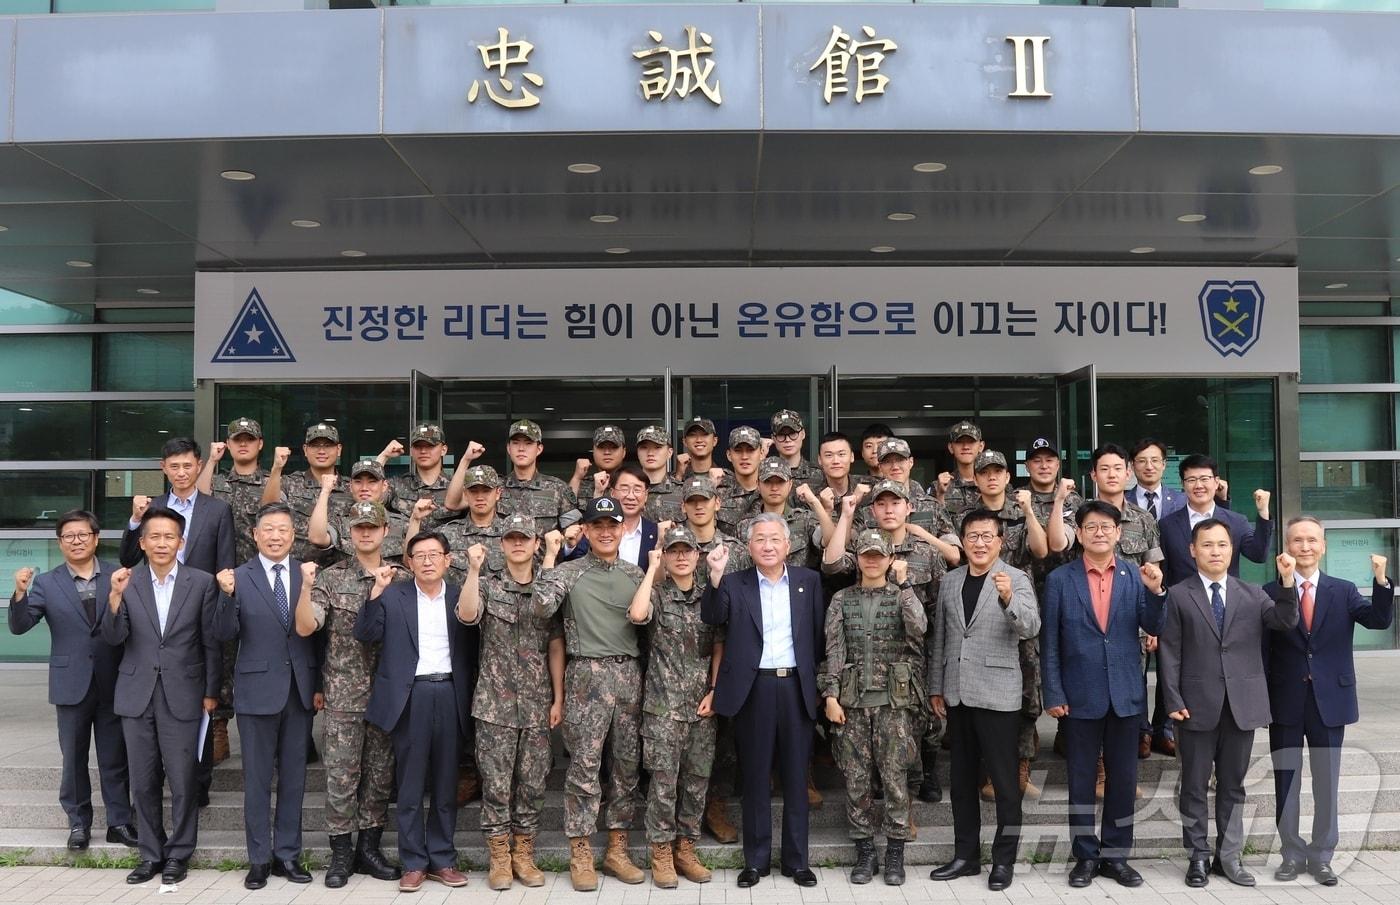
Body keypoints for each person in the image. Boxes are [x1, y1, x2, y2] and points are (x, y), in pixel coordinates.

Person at [1158, 519, 1299, 888]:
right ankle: (1198, 857)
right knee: (1193, 785)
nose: (1215, 551)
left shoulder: (1252, 593)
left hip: (1242, 705)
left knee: (1233, 785)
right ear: (1193, 550)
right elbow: (1170, 651)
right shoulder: (1178, 594)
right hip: (1194, 705)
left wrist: (1287, 581)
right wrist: (1171, 698)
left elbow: (1285, 620)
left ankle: (1230, 857)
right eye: (1207, 545)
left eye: (1222, 544)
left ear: (1232, 549)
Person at [1041, 501, 1166, 889]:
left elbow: (1154, 625)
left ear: (1118, 533)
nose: (1099, 532)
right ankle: (1085, 856)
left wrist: (1157, 589)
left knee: (1123, 780)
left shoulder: (1135, 575)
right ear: (1078, 534)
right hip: (1079, 696)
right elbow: (1050, 644)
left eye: (1106, 526)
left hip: (1125, 694)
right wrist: (1054, 691)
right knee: (1080, 780)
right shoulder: (1060, 579)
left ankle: (1116, 856)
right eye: (1091, 526)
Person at [1265, 517, 1394, 886]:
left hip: (1329, 701)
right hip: (1285, 700)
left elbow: (1379, 621)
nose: (1304, 547)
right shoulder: (1271, 591)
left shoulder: (1343, 590)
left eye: (1311, 540)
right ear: (1286, 547)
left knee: (1327, 782)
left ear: (1323, 546)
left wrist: (1381, 581)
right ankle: (1290, 853)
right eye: (1296, 540)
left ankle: (1322, 856)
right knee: (1285, 780)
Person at [701, 513, 825, 889]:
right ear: (749, 546)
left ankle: (797, 861)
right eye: (760, 540)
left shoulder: (809, 580)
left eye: (775, 540)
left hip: (795, 685)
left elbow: (817, 638)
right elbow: (712, 616)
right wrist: (716, 575)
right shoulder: (735, 582)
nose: (768, 546)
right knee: (755, 777)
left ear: (788, 545)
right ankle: (755, 862)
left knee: (795, 776)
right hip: (753, 687)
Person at [533, 497, 650, 891]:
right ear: (585, 530)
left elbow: (648, 623)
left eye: (611, 525)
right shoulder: (570, 572)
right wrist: (550, 556)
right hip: (586, 673)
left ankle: (617, 848)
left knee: (626, 766)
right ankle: (580, 851)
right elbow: (542, 607)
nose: (604, 532)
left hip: (628, 675)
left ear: (621, 529)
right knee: (584, 768)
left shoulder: (636, 573)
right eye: (596, 525)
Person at [99, 507, 220, 886]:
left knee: (184, 780)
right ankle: (150, 854)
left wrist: (212, 692)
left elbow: (211, 642)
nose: (162, 543)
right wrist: (115, 599)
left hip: (185, 692)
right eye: (155, 536)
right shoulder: (125, 581)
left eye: (170, 536)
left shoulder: (200, 582)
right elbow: (112, 638)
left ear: (181, 542)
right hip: (137, 694)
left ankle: (179, 854)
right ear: (142, 542)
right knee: (144, 780)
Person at [118, 437, 235, 810]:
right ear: (163, 467)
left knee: (197, 709)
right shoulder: (151, 508)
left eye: (188, 465)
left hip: (198, 615)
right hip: (153, 617)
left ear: (199, 465)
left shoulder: (217, 510)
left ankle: (198, 785)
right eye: (175, 466)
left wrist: (217, 617)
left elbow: (224, 565)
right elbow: (127, 557)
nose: (182, 473)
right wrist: (136, 520)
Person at [927, 508, 1040, 892]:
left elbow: (1030, 626)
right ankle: (966, 856)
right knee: (961, 781)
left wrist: (1008, 597)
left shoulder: (1017, 578)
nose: (979, 542)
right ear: (963, 540)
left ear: (1000, 541)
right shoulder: (951, 580)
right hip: (958, 693)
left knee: (1005, 784)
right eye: (972, 536)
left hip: (998, 695)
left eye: (986, 536)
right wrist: (935, 686)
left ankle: (1004, 860)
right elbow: (940, 637)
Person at [9, 511, 136, 852]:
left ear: (96, 538)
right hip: (71, 683)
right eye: (69, 536)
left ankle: (119, 822)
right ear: (60, 543)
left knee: (115, 756)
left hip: (112, 680)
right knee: (74, 758)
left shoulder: (118, 575)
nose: (76, 541)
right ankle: (78, 824)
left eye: (83, 535)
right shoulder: (47, 583)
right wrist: (19, 593)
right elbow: (20, 626)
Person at [355, 531, 473, 892]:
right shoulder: (394, 596)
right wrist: (375, 592)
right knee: (408, 784)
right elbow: (365, 633)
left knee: (444, 782)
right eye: (418, 555)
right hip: (411, 696)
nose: (426, 561)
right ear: (408, 562)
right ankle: (413, 862)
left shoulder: (460, 596)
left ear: (447, 560)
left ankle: (442, 859)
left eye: (434, 554)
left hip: (450, 692)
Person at [824, 479, 951, 804]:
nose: (888, 509)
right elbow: (834, 563)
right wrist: (847, 514)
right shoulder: (864, 547)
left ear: (909, 507)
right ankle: (888, 787)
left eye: (895, 503)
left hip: (919, 650)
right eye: (881, 504)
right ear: (874, 510)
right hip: (878, 657)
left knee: (925, 726)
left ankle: (924, 777)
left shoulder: (926, 552)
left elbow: (939, 611)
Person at [456, 513, 565, 890]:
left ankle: (524, 851)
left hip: (536, 704)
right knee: (497, 784)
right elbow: (468, 615)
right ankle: (499, 856)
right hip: (494, 706)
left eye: (525, 538)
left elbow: (554, 643)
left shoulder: (548, 586)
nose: (518, 544)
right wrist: (472, 570)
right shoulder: (487, 585)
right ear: (502, 545)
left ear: (537, 544)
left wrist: (558, 697)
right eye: (511, 538)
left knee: (532, 783)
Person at [212, 502, 318, 889]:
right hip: (257, 691)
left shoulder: (307, 574)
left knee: (294, 779)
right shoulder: (237, 577)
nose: (275, 536)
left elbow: (316, 636)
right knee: (256, 780)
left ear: (294, 535)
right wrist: (225, 596)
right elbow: (223, 634)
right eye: (268, 529)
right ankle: (258, 859)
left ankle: (287, 856)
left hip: (298, 692)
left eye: (283, 530)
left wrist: (318, 684)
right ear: (255, 535)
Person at [303, 500, 404, 888]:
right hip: (344, 693)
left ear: (385, 531)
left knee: (379, 776)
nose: (365, 533)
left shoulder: (402, 579)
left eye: (372, 527)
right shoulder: (331, 579)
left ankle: (369, 848)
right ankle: (342, 853)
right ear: (349, 530)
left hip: (387, 693)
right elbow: (312, 626)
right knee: (342, 777)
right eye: (359, 527)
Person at [820, 530, 926, 886]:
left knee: (895, 779)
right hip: (851, 704)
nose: (872, 560)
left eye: (878, 555)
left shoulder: (902, 596)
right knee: (856, 780)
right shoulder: (841, 599)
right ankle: (865, 852)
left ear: (889, 557)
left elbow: (919, 628)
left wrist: (906, 582)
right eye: (866, 554)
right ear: (857, 557)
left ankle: (895, 851)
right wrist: (830, 696)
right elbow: (834, 650)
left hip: (892, 705)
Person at [630, 525, 723, 888]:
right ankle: (662, 853)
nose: (681, 556)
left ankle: (686, 848)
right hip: (663, 708)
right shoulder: (657, 595)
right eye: (674, 551)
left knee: (697, 782)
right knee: (663, 785)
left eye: (687, 551)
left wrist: (715, 690)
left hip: (701, 708)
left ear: (698, 557)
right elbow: (637, 615)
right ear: (666, 556)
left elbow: (719, 644)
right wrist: (652, 570)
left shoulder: (709, 597)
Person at [198, 417, 273, 764]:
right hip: (225, 577)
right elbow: (197, 502)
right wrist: (211, 460)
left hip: (263, 578)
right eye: (236, 440)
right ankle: (218, 728)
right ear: (228, 445)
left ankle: (275, 726)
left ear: (260, 445)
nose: (243, 445)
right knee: (223, 651)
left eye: (249, 439)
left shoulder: (272, 481)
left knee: (263, 648)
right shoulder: (215, 480)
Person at [1089, 443, 1170, 758]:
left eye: (1117, 469)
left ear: (1128, 473)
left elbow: (1155, 572)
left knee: (1129, 692)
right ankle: (1097, 761)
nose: (1112, 474)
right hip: (1093, 622)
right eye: (1104, 469)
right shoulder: (1081, 515)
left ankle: (1124, 755)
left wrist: (1152, 623)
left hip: (1132, 624)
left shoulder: (1143, 519)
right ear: (1094, 474)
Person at [1158, 454, 1272, 587]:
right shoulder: (1167, 525)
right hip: (1182, 604)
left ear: (1216, 482)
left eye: (1204, 479)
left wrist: (1263, 512)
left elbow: (1258, 555)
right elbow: (1164, 573)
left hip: (1226, 601)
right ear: (1182, 484)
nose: (1198, 485)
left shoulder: (1236, 521)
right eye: (1191, 480)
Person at [266, 422, 352, 567]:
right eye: (315, 445)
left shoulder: (351, 488)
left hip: (342, 578)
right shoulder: (290, 483)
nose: (321, 451)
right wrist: (277, 469)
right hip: (297, 571)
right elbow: (268, 510)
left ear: (339, 449)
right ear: (305, 450)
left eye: (328, 445)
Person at [565, 463, 659, 568]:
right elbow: (575, 565)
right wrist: (570, 546)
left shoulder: (656, 533)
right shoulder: (597, 529)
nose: (631, 496)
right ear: (612, 493)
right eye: (624, 489)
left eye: (637, 490)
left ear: (646, 496)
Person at [739, 460, 828, 570]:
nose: (774, 488)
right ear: (758, 485)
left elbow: (829, 541)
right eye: (768, 482)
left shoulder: (805, 520)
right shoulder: (744, 525)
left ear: (790, 484)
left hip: (797, 584)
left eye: (780, 482)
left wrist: (815, 502)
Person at [501, 419, 581, 536]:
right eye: (516, 443)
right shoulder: (495, 488)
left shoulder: (558, 488)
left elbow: (574, 534)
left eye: (528, 443)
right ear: (509, 448)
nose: (521, 448)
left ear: (539, 449)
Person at [384, 423, 455, 519]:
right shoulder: (397, 485)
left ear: (443, 450)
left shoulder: (455, 487)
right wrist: (384, 456)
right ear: (411, 450)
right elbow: (369, 499)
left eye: (430, 446)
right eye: (417, 446)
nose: (423, 451)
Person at [716, 426, 763, 538]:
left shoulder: (774, 489)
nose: (744, 457)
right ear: (729, 455)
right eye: (738, 451)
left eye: (750, 450)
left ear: (761, 453)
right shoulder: (718, 492)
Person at [1127, 438, 1186, 520]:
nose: (1149, 467)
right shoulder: (1122, 501)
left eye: (1154, 460)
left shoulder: (1183, 500)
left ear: (1164, 464)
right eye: (1142, 461)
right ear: (1132, 465)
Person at [636, 425, 684, 523]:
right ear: (637, 452)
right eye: (644, 448)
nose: (650, 453)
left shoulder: (683, 491)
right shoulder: (627, 491)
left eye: (657, 447)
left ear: (670, 453)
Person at [572, 424, 627, 507]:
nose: (607, 452)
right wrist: (576, 478)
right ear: (593, 451)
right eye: (601, 447)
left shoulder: (634, 483)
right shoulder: (581, 484)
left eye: (613, 447)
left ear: (624, 452)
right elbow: (567, 511)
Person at [939, 420, 984, 517]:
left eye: (971, 442)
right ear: (951, 447)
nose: (966, 447)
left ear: (981, 446)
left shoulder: (995, 484)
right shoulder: (940, 486)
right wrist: (940, 495)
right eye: (959, 442)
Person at [770, 409, 822, 485]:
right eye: (781, 435)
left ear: (803, 434)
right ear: (773, 438)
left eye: (792, 433)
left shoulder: (819, 475)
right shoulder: (765, 473)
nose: (787, 440)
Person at [675, 416, 733, 484]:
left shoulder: (729, 478)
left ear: (714, 441)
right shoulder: (674, 479)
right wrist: (678, 478)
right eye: (693, 435)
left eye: (705, 435)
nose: (699, 440)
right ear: (685, 442)